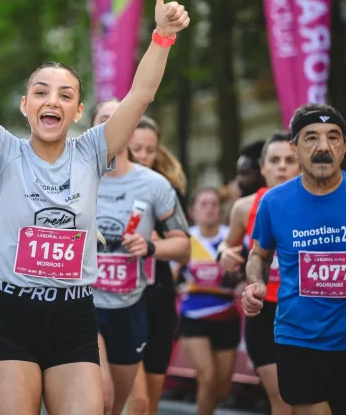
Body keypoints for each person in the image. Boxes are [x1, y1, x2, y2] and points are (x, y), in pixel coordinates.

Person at [0, 0, 189, 413]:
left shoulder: (94, 150)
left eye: (65, 95)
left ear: (78, 111)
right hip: (13, 314)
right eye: (40, 92)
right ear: (25, 106)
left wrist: (162, 37)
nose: (51, 100)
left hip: (75, 315)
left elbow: (142, 94)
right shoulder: (2, 153)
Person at [243, 103, 346, 415]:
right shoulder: (274, 203)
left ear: (344, 147)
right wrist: (255, 285)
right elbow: (258, 255)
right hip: (298, 339)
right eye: (311, 138)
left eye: (333, 137)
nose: (323, 147)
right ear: (295, 147)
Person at [90, 101, 191, 415]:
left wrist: (149, 247)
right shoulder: (72, 177)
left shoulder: (156, 186)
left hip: (137, 302)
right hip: (83, 304)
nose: (111, 125)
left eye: (119, 118)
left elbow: (184, 248)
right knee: (101, 399)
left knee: (132, 405)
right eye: (104, 120)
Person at [217, 130, 299, 415]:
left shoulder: (319, 205)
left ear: (301, 164)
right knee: (281, 399)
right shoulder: (243, 207)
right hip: (263, 313)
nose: (281, 167)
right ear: (262, 167)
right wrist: (225, 256)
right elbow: (227, 250)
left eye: (289, 160)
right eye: (274, 160)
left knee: (309, 400)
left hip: (306, 310)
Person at [126, 115, 192, 414]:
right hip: (116, 300)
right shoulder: (102, 184)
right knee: (131, 399)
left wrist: (154, 244)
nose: (143, 156)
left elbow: (184, 250)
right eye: (136, 148)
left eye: (149, 150)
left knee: (149, 400)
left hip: (157, 295)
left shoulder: (166, 190)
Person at [180, 187, 239, 415]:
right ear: (193, 211)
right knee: (207, 378)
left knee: (222, 389)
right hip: (194, 317)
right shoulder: (185, 239)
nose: (209, 209)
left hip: (227, 316)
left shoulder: (231, 238)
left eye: (214, 204)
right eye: (203, 204)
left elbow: (244, 273)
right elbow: (171, 276)